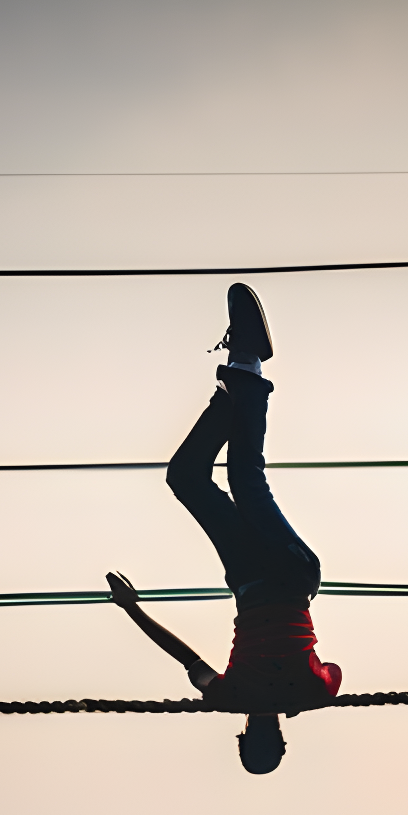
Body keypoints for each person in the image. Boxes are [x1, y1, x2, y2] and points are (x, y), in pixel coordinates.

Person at [106, 283, 341, 775]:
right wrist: (133, 610)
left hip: (276, 581)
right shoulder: (232, 699)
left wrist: (294, 697)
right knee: (239, 477)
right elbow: (182, 655)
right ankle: (246, 363)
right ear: (249, 740)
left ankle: (236, 383)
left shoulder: (312, 696)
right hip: (271, 581)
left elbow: (330, 671)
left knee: (191, 479)